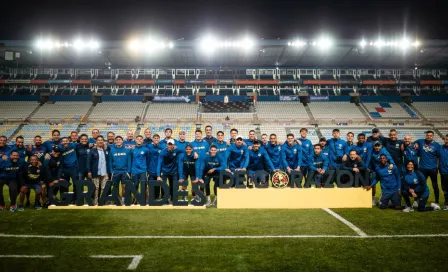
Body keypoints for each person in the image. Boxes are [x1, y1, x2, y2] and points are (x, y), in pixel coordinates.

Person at [414, 131, 441, 206]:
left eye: (430, 135)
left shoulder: (437, 145)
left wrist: (437, 167)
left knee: (435, 185)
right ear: (426, 136)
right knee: (420, 184)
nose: (429, 137)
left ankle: (437, 201)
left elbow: (439, 157)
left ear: (433, 136)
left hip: (432, 169)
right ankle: (417, 200)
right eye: (427, 135)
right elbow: (412, 143)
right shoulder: (420, 141)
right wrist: (415, 144)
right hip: (422, 168)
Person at [87, 135, 110, 205]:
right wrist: (89, 171)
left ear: (103, 141)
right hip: (95, 172)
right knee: (96, 188)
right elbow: (88, 162)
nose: (100, 141)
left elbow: (108, 162)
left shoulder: (106, 150)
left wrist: (108, 172)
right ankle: (95, 202)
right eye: (99, 140)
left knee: (103, 188)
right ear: (96, 142)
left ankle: (102, 201)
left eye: (101, 140)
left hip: (104, 172)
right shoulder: (92, 151)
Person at [157, 139, 182, 204]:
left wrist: (194, 152)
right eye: (169, 144)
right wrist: (158, 175)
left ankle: (173, 198)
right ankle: (165, 198)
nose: (170, 146)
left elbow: (184, 150)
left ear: (174, 145)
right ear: (167, 145)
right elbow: (159, 164)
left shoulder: (176, 150)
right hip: (165, 171)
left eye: (171, 144)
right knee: (163, 185)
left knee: (174, 185)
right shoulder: (163, 152)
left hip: (173, 171)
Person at [109, 136, 131, 203]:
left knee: (124, 186)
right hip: (116, 171)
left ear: (122, 141)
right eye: (117, 140)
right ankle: (116, 200)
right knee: (115, 187)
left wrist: (128, 171)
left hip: (124, 171)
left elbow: (129, 161)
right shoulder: (112, 150)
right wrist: (111, 171)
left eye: (120, 140)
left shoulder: (127, 150)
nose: (118, 141)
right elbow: (110, 162)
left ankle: (123, 200)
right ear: (115, 141)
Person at [58, 137, 79, 201]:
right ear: (61, 142)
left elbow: (82, 143)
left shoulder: (73, 145)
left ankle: (75, 199)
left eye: (66, 141)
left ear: (69, 141)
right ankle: (64, 199)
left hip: (74, 169)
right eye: (63, 141)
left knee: (75, 184)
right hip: (65, 169)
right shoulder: (60, 148)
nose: (65, 142)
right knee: (64, 184)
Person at [130, 135, 149, 204]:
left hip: (143, 170)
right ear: (135, 140)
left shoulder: (146, 149)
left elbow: (148, 160)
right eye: (138, 139)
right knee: (135, 185)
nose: (139, 140)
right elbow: (131, 159)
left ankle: (145, 199)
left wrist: (146, 168)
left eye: (141, 139)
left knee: (144, 185)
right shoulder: (132, 149)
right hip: (134, 170)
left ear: (142, 140)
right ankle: (135, 199)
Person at [147, 134, 165, 200]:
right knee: (151, 184)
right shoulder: (149, 146)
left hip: (159, 170)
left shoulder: (163, 147)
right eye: (155, 138)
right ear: (152, 139)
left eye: (157, 138)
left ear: (159, 139)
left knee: (158, 184)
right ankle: (151, 198)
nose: (156, 139)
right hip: (151, 169)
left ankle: (157, 198)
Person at [439, 134, 448, 211]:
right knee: (445, 189)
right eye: (446, 139)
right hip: (443, 172)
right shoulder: (440, 148)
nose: (447, 141)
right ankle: (446, 204)